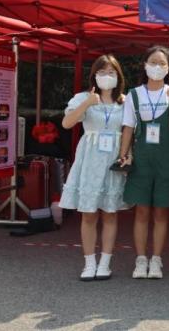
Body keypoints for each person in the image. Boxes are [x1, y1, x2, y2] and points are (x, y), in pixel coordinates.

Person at [60, 55, 127, 281]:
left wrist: (128, 154)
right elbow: (67, 123)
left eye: (111, 72)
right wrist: (87, 103)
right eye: (102, 72)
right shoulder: (83, 97)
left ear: (118, 76)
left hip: (113, 161)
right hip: (89, 160)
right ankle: (89, 263)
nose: (107, 76)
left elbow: (130, 132)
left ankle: (105, 263)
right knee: (88, 214)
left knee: (110, 213)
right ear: (94, 75)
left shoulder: (125, 102)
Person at [118, 46, 169, 279]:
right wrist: (123, 154)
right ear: (144, 65)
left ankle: (156, 259)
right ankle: (140, 259)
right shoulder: (134, 94)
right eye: (153, 62)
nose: (157, 67)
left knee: (161, 213)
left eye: (162, 63)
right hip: (142, 158)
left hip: (166, 158)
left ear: (168, 68)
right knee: (142, 212)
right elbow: (128, 128)